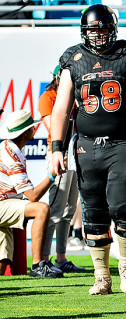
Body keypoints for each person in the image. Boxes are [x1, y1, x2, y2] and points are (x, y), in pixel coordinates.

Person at [51, 4, 126, 295]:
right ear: (84, 32)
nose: (97, 35)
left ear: (113, 29)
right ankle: (102, 276)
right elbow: (61, 109)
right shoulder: (73, 58)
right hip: (86, 147)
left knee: (122, 205)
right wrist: (55, 148)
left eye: (102, 29)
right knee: (93, 213)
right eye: (92, 30)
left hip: (121, 143)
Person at [0, 110, 62, 278]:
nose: (35, 130)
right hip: (2, 203)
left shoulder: (9, 148)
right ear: (25, 132)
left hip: (5, 202)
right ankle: (37, 265)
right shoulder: (11, 154)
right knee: (41, 209)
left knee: (3, 262)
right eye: (32, 127)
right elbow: (33, 196)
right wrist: (52, 175)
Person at [38, 65, 85, 272]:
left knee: (68, 211)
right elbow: (53, 127)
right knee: (54, 209)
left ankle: (61, 259)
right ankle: (43, 260)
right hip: (59, 153)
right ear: (58, 78)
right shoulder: (48, 97)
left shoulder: (75, 97)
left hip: (75, 152)